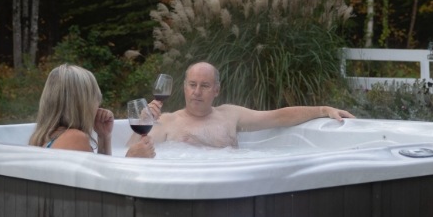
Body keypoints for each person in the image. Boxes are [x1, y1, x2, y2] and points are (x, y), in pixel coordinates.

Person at [137, 61, 355, 148]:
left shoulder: (231, 115)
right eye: (192, 84)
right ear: (184, 87)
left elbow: (278, 116)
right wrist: (143, 124)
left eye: (204, 85)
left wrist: (322, 110)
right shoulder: (166, 121)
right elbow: (133, 155)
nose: (196, 92)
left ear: (217, 90)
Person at [29, 63, 155, 158]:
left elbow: (97, 176)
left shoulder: (43, 138)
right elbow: (103, 189)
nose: (98, 105)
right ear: (81, 104)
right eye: (95, 99)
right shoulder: (73, 139)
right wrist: (131, 159)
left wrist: (104, 137)